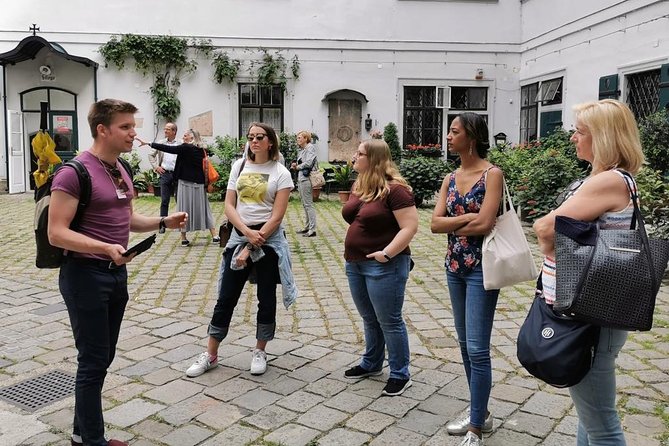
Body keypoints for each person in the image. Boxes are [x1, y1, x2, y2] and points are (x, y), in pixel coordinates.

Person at [48, 99, 187, 446]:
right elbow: (57, 232)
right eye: (125, 127)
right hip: (84, 275)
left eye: (132, 126)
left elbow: (125, 220)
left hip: (115, 273)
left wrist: (161, 221)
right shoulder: (73, 172)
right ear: (102, 130)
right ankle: (93, 441)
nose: (133, 133)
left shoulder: (119, 166)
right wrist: (103, 247)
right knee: (93, 360)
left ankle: (83, 435)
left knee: (103, 357)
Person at [533, 99, 644, 446]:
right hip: (598, 311)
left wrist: (547, 236)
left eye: (580, 132)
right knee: (591, 416)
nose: (573, 139)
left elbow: (546, 229)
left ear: (604, 138)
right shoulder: (614, 179)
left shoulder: (607, 182)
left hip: (589, 316)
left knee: (603, 426)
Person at [186, 122, 297, 378]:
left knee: (266, 298)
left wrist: (258, 237)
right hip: (240, 237)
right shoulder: (240, 166)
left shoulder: (281, 172)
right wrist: (246, 233)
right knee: (226, 297)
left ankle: (260, 350)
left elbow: (277, 215)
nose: (254, 141)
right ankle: (211, 353)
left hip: (268, 241)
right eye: (250, 137)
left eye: (260, 137)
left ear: (270, 142)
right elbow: (229, 205)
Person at [430, 112, 503, 446]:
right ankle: (480, 413)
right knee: (463, 345)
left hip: (481, 269)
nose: (448, 136)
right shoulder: (450, 176)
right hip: (454, 267)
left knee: (477, 348)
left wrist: (459, 221)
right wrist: (470, 217)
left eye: (454, 131)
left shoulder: (492, 175)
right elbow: (433, 224)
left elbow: (486, 224)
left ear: (471, 136)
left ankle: (476, 427)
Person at [342, 139, 418, 397]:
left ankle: (400, 373)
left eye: (360, 153)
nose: (355, 156)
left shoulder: (396, 191)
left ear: (374, 159)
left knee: (390, 320)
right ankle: (372, 363)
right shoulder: (360, 185)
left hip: (385, 266)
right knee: (369, 318)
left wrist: (387, 253)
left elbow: (410, 227)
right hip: (355, 264)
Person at [137, 129, 218, 246]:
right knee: (205, 209)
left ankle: (184, 238)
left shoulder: (185, 148)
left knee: (183, 209)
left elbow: (169, 149)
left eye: (185, 136)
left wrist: (149, 143)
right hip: (199, 184)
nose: (183, 138)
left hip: (185, 183)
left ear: (192, 138)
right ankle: (214, 235)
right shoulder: (201, 150)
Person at [148, 122, 179, 228]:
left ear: (174, 131)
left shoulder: (180, 144)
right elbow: (151, 155)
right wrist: (156, 167)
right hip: (165, 174)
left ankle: (180, 223)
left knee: (179, 199)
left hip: (177, 175)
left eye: (168, 129)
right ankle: (162, 224)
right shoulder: (161, 143)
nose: (165, 131)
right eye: (165, 129)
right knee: (164, 200)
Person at [290, 130, 318, 237]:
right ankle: (307, 227)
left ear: (306, 138)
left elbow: (309, 162)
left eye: (299, 137)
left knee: (308, 204)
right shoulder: (302, 150)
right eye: (297, 138)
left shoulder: (310, 147)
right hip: (302, 178)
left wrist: (297, 167)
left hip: (307, 178)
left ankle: (312, 229)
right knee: (304, 204)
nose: (298, 140)